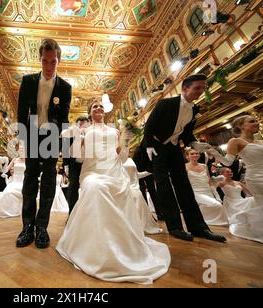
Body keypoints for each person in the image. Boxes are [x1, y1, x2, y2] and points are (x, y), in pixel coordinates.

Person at [56, 98, 170, 284]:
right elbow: (77, 158)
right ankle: (95, 248)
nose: (99, 108)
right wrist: (78, 140)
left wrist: (125, 141)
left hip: (113, 172)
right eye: (95, 106)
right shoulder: (84, 130)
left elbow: (123, 157)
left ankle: (121, 245)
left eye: (101, 106)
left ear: (105, 111)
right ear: (90, 112)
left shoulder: (114, 131)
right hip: (92, 172)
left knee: (122, 190)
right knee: (95, 187)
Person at [142, 74, 226, 242]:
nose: (200, 91)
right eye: (197, 88)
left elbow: (186, 134)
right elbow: (149, 126)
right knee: (164, 187)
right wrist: (149, 146)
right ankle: (175, 227)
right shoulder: (165, 103)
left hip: (174, 148)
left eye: (203, 88)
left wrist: (196, 144)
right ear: (185, 88)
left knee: (184, 186)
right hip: (157, 148)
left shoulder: (194, 109)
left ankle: (199, 227)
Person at [16, 38, 71, 248]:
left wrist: (64, 150)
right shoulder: (28, 81)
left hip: (52, 138)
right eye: (45, 61)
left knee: (48, 183)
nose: (49, 66)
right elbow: (21, 112)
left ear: (58, 61)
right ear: (40, 60)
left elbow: (64, 120)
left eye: (53, 62)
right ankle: (27, 227)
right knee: (29, 180)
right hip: (31, 134)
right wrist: (23, 140)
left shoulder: (65, 87)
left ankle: (42, 228)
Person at [206, 115, 263, 248]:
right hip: (259, 178)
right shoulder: (236, 141)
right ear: (241, 126)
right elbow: (227, 162)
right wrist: (212, 152)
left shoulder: (262, 142)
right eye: (252, 121)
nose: (257, 122)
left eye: (257, 120)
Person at [185, 148, 228, 226]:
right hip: (196, 192)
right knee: (217, 205)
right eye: (192, 154)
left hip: (208, 191)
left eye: (197, 153)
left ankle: (202, 220)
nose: (195, 155)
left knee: (212, 205)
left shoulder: (204, 166)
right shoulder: (185, 167)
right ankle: (210, 220)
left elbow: (210, 182)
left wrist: (217, 195)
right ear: (187, 156)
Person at [61, 115, 90, 214]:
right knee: (73, 188)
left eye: (85, 124)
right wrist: (66, 167)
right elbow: (65, 151)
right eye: (80, 124)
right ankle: (72, 213)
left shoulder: (91, 133)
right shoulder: (71, 134)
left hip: (88, 164)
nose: (82, 126)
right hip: (74, 165)